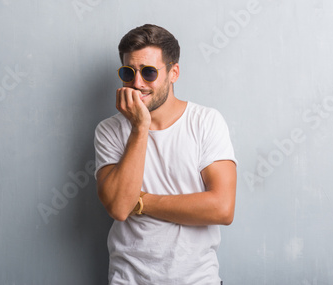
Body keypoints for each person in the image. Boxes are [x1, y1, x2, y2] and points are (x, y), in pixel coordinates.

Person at [94, 24, 237, 285]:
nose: (137, 84)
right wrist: (140, 127)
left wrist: (142, 202)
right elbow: (118, 207)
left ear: (174, 73)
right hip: (128, 279)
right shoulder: (109, 131)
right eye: (129, 72)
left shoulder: (206, 121)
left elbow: (222, 208)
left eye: (149, 72)